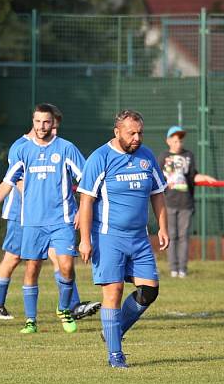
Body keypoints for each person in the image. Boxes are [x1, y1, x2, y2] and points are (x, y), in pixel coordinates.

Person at [0, 103, 85, 334]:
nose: (42, 126)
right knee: (31, 268)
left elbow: (85, 180)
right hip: (32, 221)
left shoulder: (66, 148)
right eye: (38, 122)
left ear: (53, 124)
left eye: (46, 122)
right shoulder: (23, 150)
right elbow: (7, 182)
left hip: (61, 220)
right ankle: (30, 320)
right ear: (32, 123)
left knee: (67, 266)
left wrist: (82, 210)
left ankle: (64, 309)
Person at [0, 104, 100, 321]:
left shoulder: (60, 147)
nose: (51, 130)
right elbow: (18, 183)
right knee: (13, 258)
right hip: (20, 213)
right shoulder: (20, 147)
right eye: (45, 124)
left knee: (61, 259)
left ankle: (71, 306)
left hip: (52, 217)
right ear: (34, 122)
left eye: (53, 125)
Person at [77, 110, 168, 368]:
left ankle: (112, 332)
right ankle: (115, 356)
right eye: (131, 133)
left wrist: (162, 227)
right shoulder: (100, 157)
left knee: (149, 290)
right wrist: (85, 239)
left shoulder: (146, 156)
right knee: (113, 292)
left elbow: (158, 193)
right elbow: (86, 201)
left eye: (140, 132)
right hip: (108, 237)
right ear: (117, 132)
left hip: (139, 238)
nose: (137, 138)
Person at [158, 126, 217, 278]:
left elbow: (192, 176)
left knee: (184, 236)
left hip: (186, 203)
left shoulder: (188, 156)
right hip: (168, 203)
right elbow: (157, 179)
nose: (179, 143)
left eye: (181, 140)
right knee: (171, 235)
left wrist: (205, 177)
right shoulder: (163, 157)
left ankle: (182, 269)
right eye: (175, 140)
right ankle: (173, 268)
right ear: (168, 141)